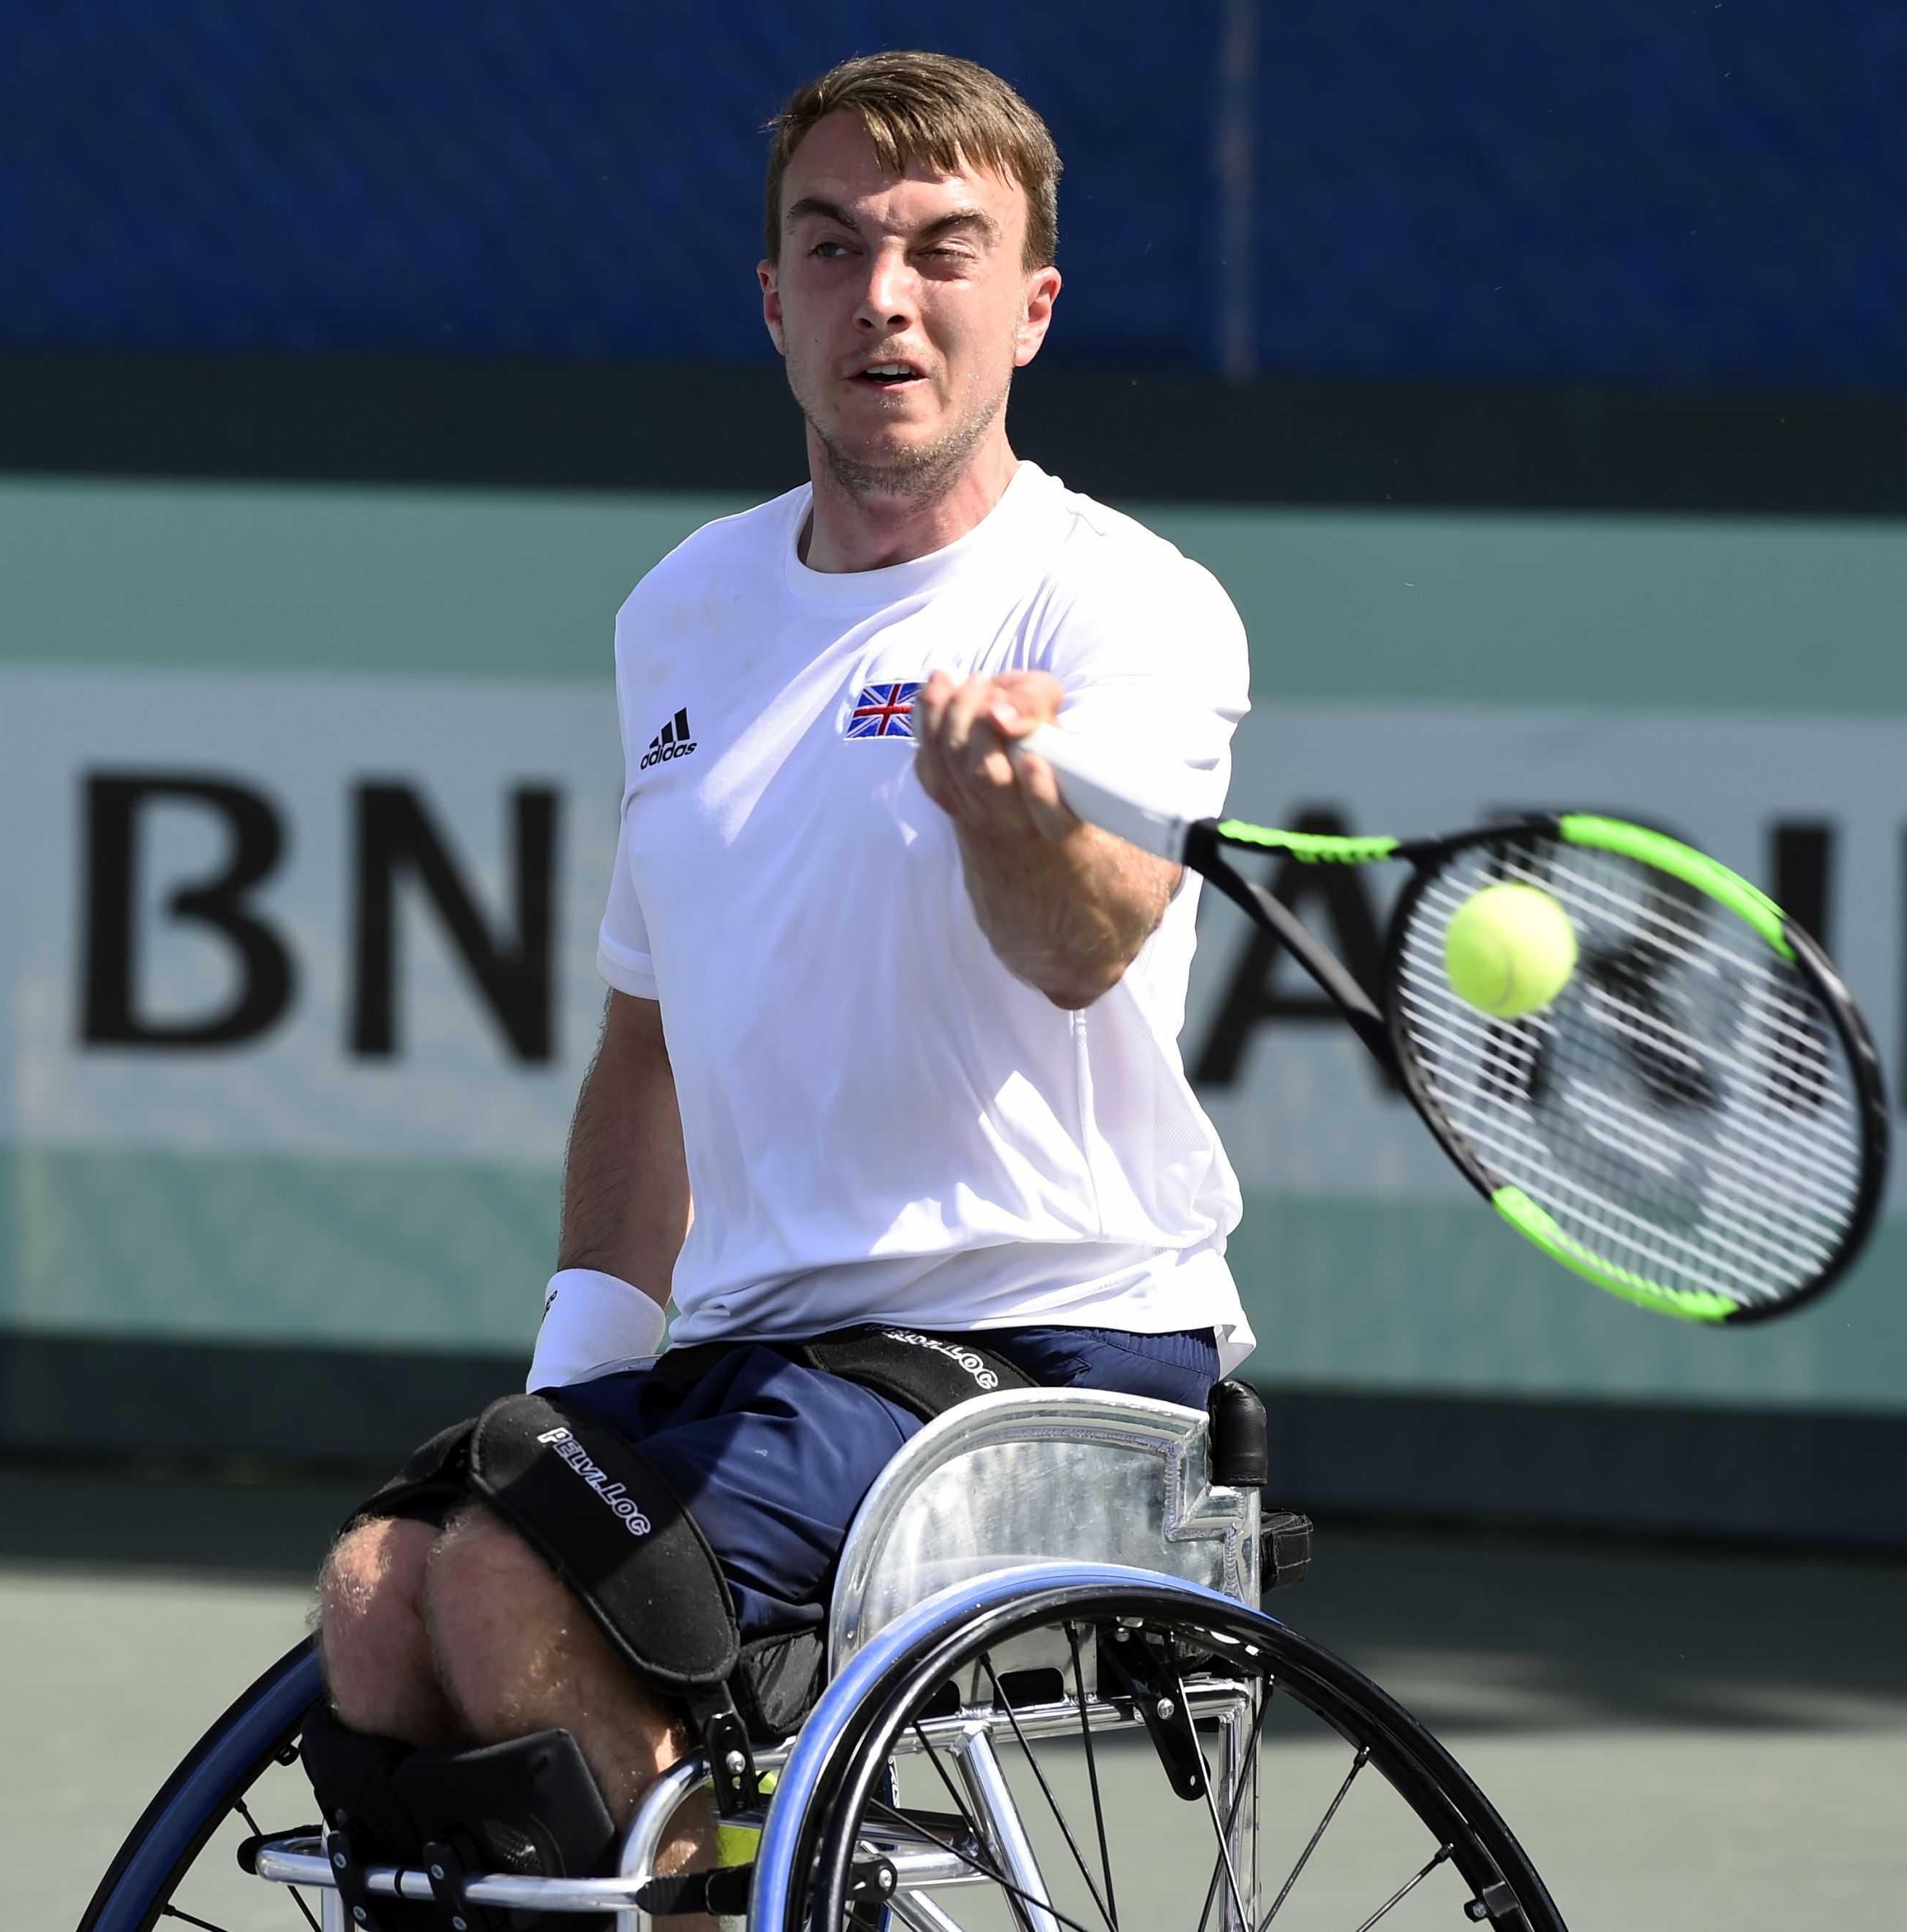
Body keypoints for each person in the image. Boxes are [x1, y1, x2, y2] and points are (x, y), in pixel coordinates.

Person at [308, 47, 1253, 1888]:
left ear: (1030, 310)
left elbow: (1087, 949)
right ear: (771, 300)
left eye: (941, 251)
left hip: (1051, 1340)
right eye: (830, 249)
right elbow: (646, 1051)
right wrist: (574, 1382)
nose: (882, 297)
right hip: (762, 1357)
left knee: (511, 1584)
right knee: (377, 1591)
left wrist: (1006, 815)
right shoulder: (681, 613)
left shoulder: (1120, 602)